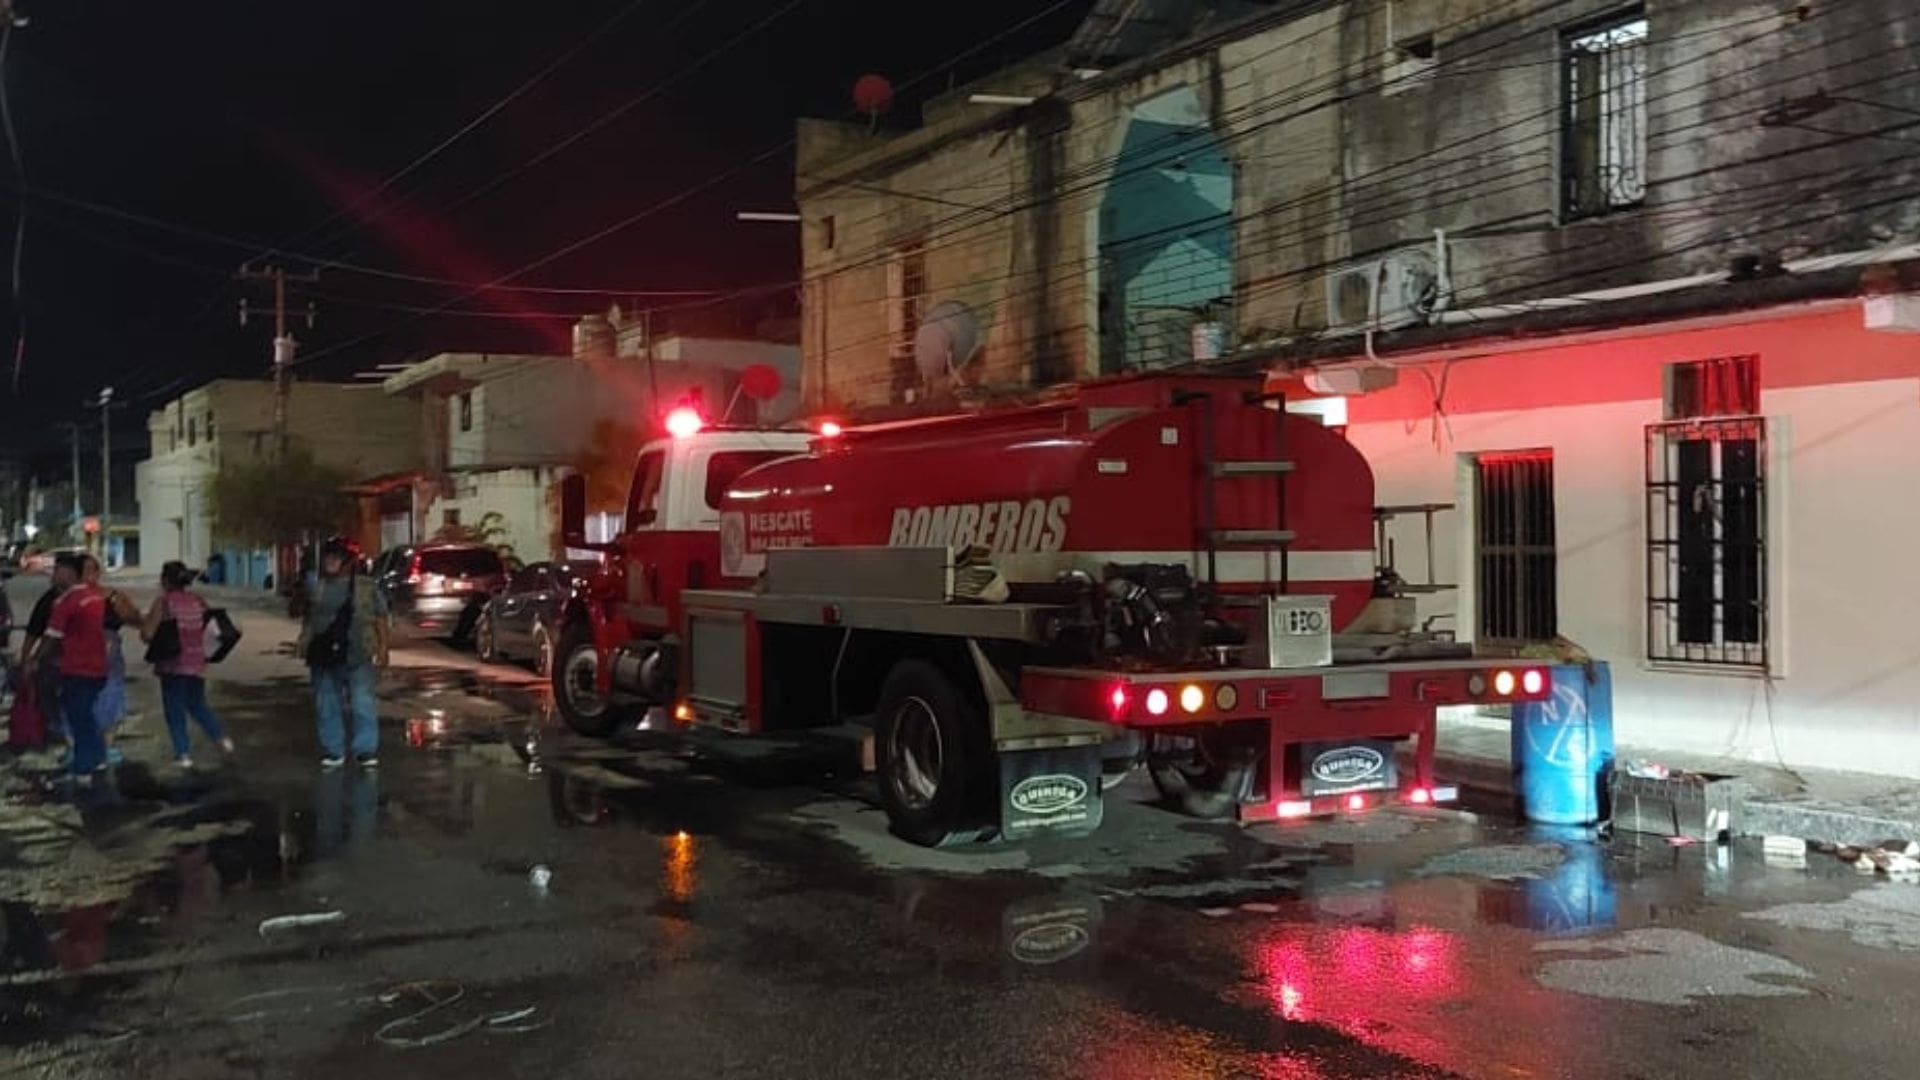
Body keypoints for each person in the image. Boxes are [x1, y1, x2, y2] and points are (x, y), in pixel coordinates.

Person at [41, 555, 140, 790]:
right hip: (90, 666)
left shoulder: (91, 599)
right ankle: (94, 757)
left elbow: (135, 619)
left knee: (86, 714)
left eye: (92, 570)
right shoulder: (81, 598)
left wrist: (36, 661)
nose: (90, 575)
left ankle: (85, 765)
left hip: (91, 666)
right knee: (85, 714)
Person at [297, 536, 388, 769]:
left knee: (363, 702)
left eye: (336, 558)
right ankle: (333, 749)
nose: (330, 562)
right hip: (323, 655)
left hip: (357, 653)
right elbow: (305, 616)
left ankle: (365, 750)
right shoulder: (316, 587)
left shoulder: (366, 587)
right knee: (326, 703)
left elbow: (380, 617)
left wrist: (383, 648)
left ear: (347, 562)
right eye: (328, 557)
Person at [143, 561, 234, 769]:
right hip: (197, 663)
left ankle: (183, 753)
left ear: (165, 580)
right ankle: (222, 739)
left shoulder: (164, 603)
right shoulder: (198, 601)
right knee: (197, 704)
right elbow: (211, 629)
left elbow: (147, 633)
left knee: (174, 710)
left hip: (172, 665)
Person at [21, 553, 83, 748]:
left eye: (58, 570)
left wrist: (33, 659)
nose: (53, 574)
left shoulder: (84, 597)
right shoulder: (49, 600)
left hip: (79, 662)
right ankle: (66, 738)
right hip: (56, 662)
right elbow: (34, 631)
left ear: (72, 573)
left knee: (74, 703)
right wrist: (27, 659)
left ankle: (74, 743)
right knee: (54, 700)